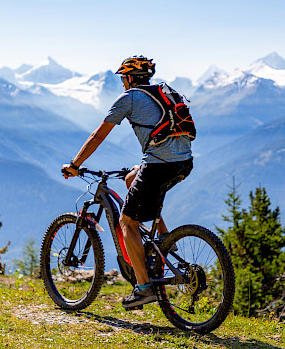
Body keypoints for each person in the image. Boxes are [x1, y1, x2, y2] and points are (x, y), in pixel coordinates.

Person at [62, 55, 193, 309]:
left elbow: (98, 135)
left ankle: (144, 289)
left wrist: (75, 165)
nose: (123, 82)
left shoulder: (129, 98)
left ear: (130, 77)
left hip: (158, 166)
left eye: (123, 77)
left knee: (126, 222)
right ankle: (164, 242)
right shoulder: (164, 91)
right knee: (133, 177)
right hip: (184, 163)